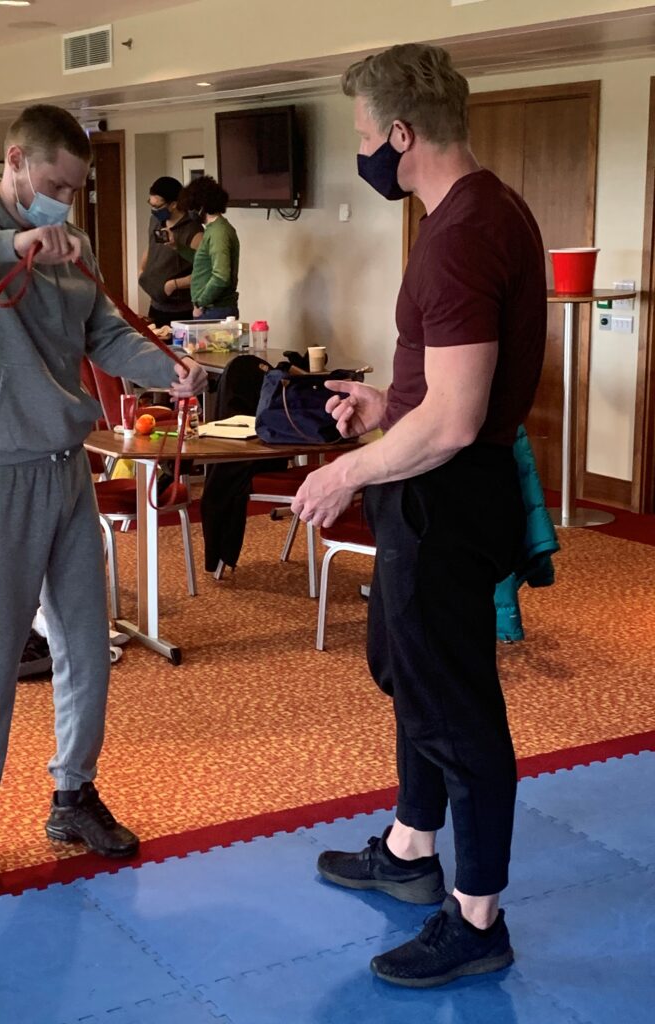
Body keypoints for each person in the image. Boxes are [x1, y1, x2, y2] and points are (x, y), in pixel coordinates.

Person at [0, 104, 207, 894]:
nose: (65, 202)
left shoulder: (75, 247)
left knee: (85, 645)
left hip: (68, 468)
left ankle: (72, 795)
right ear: (16, 162)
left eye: (75, 189)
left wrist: (165, 368)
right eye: (56, 186)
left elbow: (104, 332)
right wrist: (11, 244)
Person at [291, 44, 547, 988]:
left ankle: (477, 918)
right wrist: (382, 405)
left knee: (454, 705)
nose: (362, 151)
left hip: (446, 499)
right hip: (442, 490)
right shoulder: (486, 210)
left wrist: (346, 472)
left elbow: (456, 420)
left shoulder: (462, 235)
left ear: (401, 134)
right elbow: (439, 395)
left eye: (365, 135)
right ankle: (409, 848)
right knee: (410, 674)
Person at [138, 175, 203, 329]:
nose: (154, 210)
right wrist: (142, 270)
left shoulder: (194, 231)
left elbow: (204, 272)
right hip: (156, 304)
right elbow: (151, 246)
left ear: (173, 204)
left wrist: (173, 285)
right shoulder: (155, 221)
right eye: (151, 204)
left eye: (157, 206)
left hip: (180, 310)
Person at [176, 175, 240, 320]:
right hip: (212, 309)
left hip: (214, 310)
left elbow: (221, 277)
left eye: (191, 208)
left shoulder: (218, 233)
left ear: (201, 207)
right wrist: (177, 247)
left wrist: (200, 303)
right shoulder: (214, 230)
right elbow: (204, 262)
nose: (189, 213)